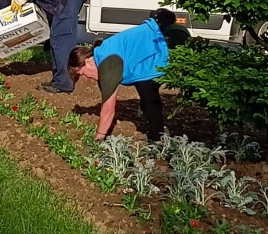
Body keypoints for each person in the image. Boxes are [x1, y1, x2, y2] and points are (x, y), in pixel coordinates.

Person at [68, 9, 190, 142]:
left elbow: (108, 109)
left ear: (88, 62)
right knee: (145, 88)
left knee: (148, 92)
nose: (85, 78)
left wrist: (99, 137)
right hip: (152, 49)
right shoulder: (101, 55)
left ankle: (159, 137)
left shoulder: (107, 63)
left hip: (166, 43)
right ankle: (155, 128)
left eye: (82, 73)